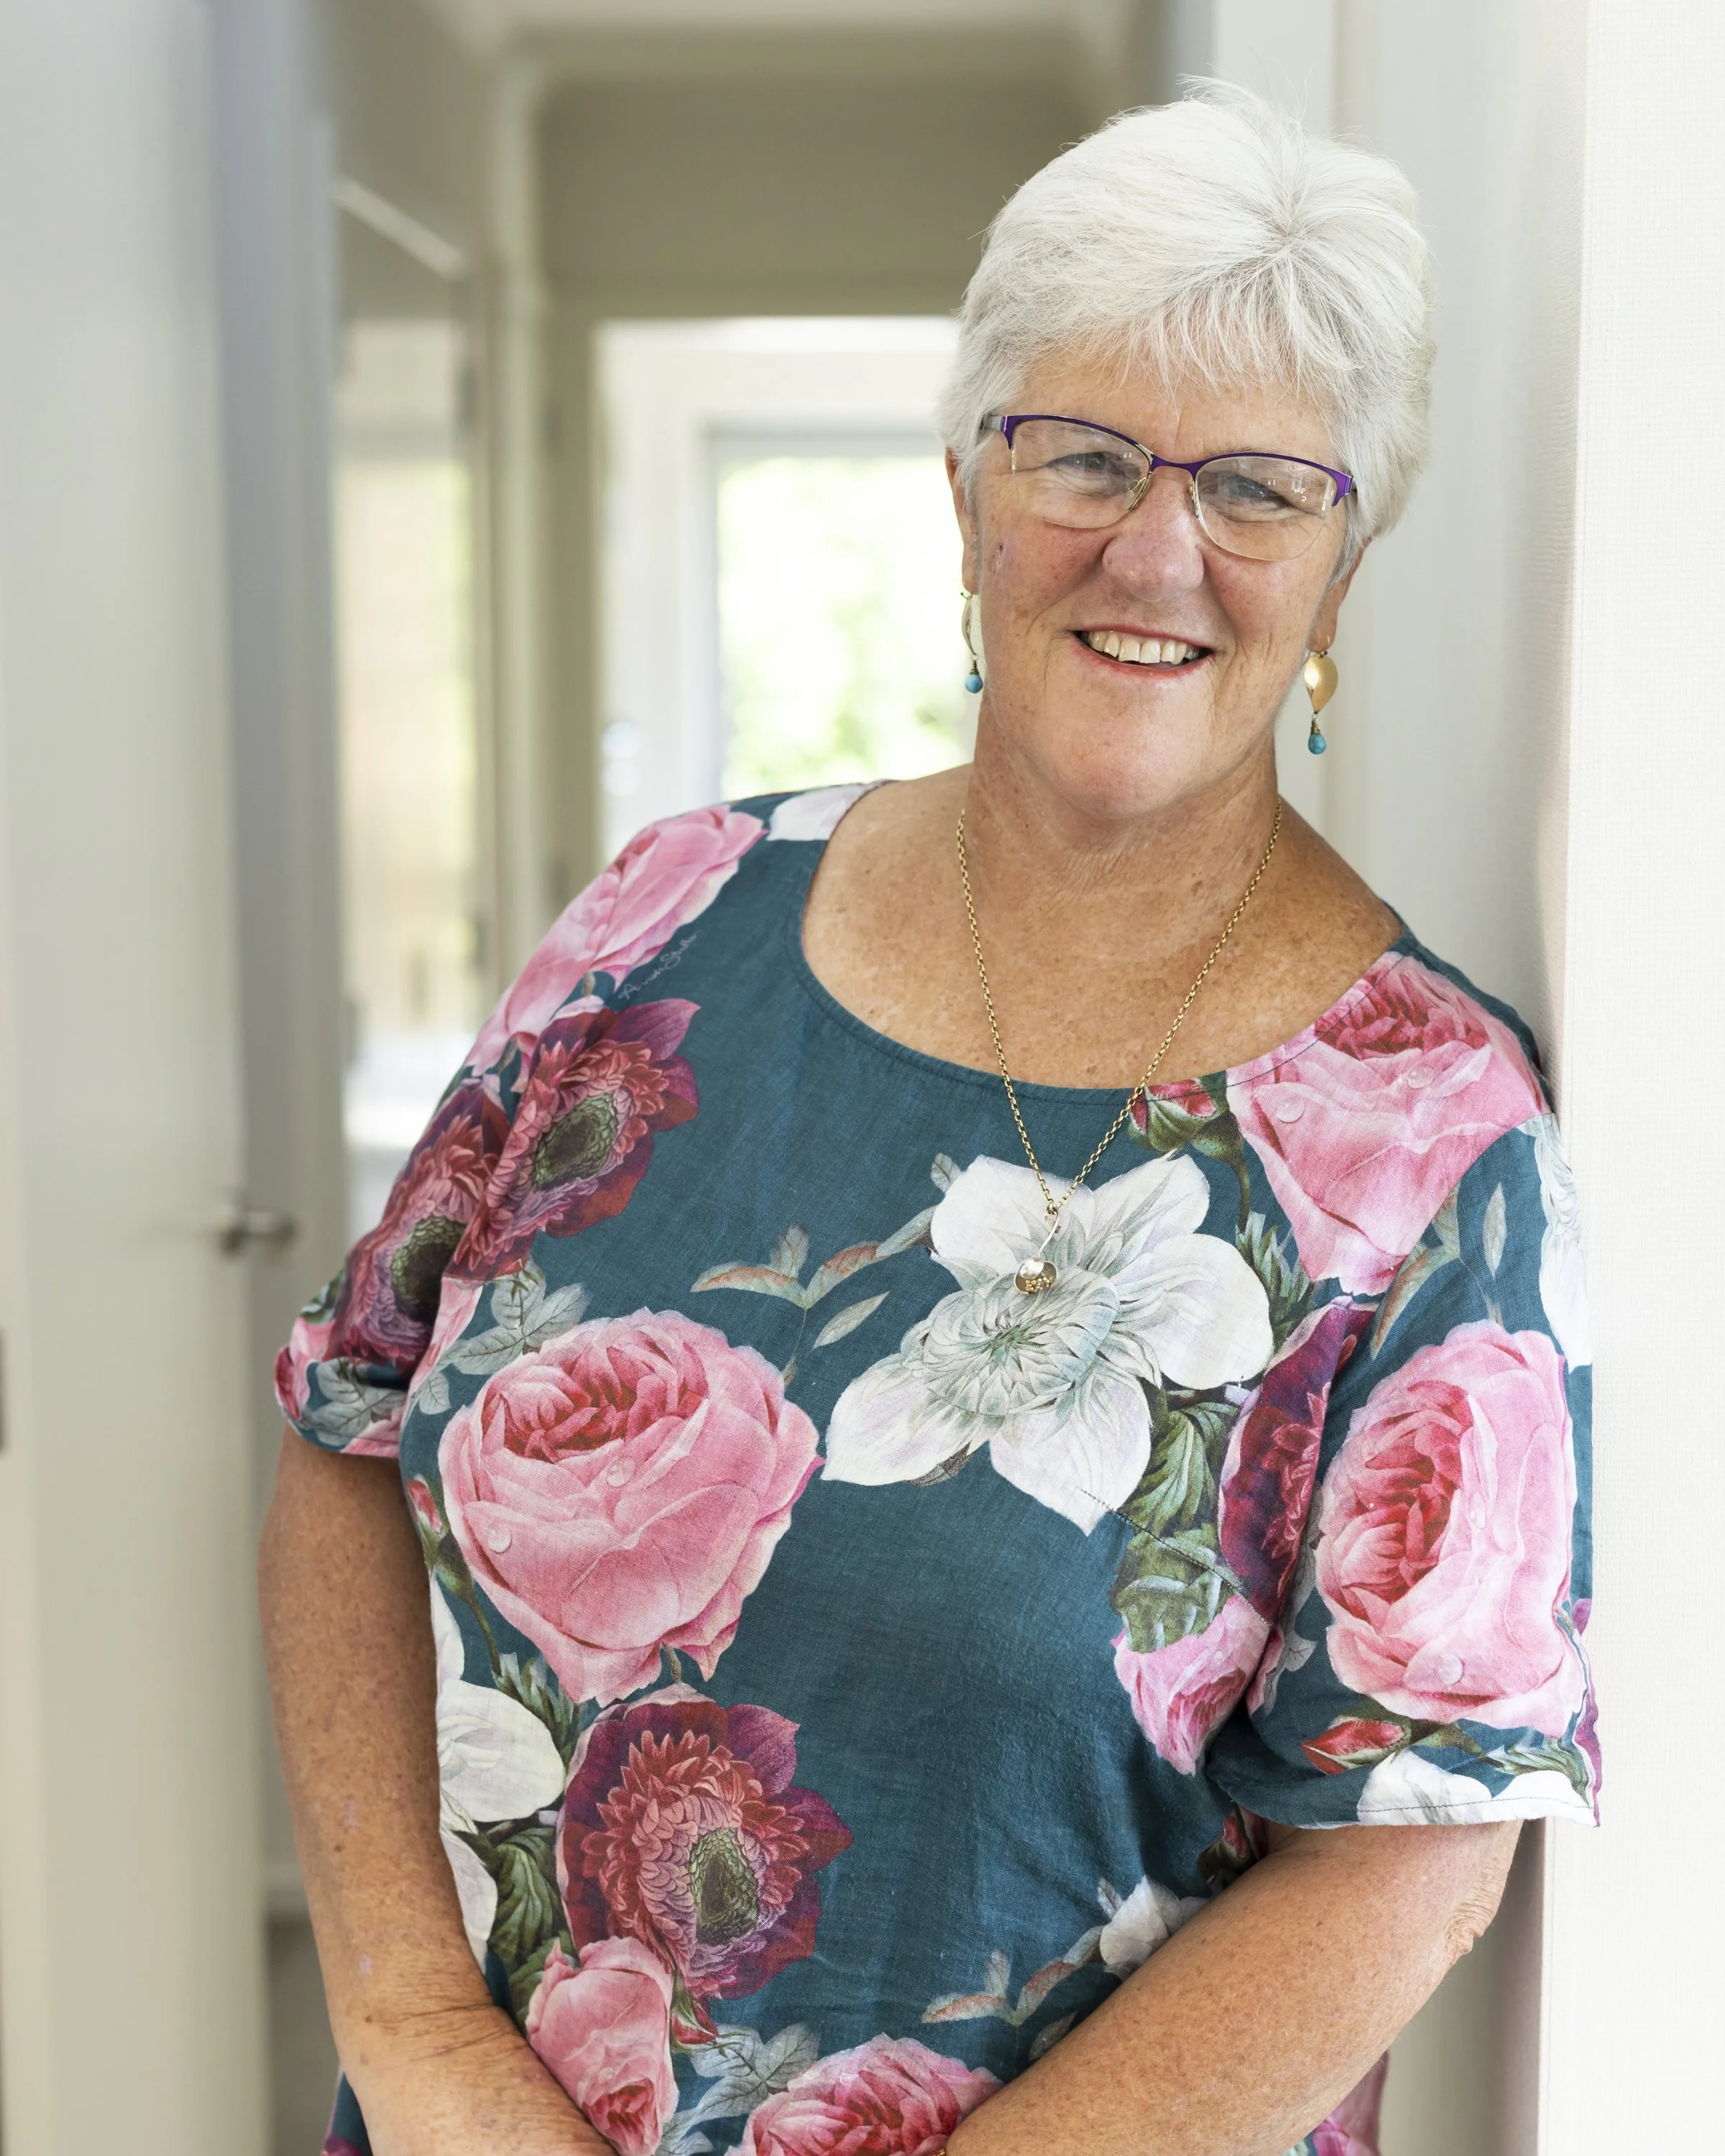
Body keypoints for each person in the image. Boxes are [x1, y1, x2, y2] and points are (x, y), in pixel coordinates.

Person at [261, 84, 1598, 2156]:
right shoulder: (664, 916)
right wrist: (421, 2031)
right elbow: (349, 1439)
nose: (1158, 552)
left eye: (1261, 492)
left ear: (1340, 580)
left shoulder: (1434, 1138)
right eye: (1080, 455)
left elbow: (1410, 1846)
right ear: (966, 496)